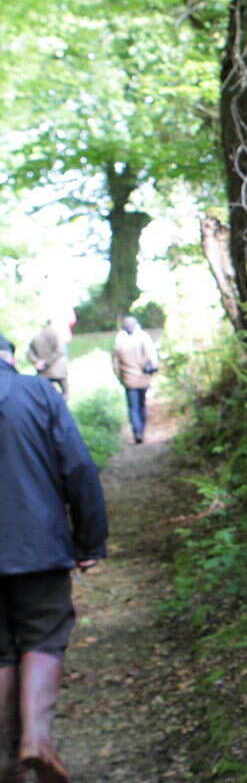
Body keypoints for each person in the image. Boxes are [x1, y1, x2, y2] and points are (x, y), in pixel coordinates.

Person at [0, 332, 108, 783]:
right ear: (7, 357)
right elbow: (78, 467)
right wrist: (90, 541)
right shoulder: (38, 393)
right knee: (43, 637)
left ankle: (6, 762)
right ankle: (37, 739)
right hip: (38, 549)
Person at [110, 316, 159, 445]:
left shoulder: (119, 341)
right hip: (143, 378)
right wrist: (151, 374)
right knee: (142, 405)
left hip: (128, 379)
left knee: (133, 407)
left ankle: (137, 433)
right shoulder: (143, 337)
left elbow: (115, 363)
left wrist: (120, 378)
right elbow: (152, 358)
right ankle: (142, 430)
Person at [24, 313, 74, 400]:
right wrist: (46, 362)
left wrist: (37, 362)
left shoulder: (37, 335)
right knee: (65, 395)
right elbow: (59, 351)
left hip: (42, 373)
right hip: (58, 372)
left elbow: (29, 353)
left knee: (42, 397)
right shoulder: (56, 334)